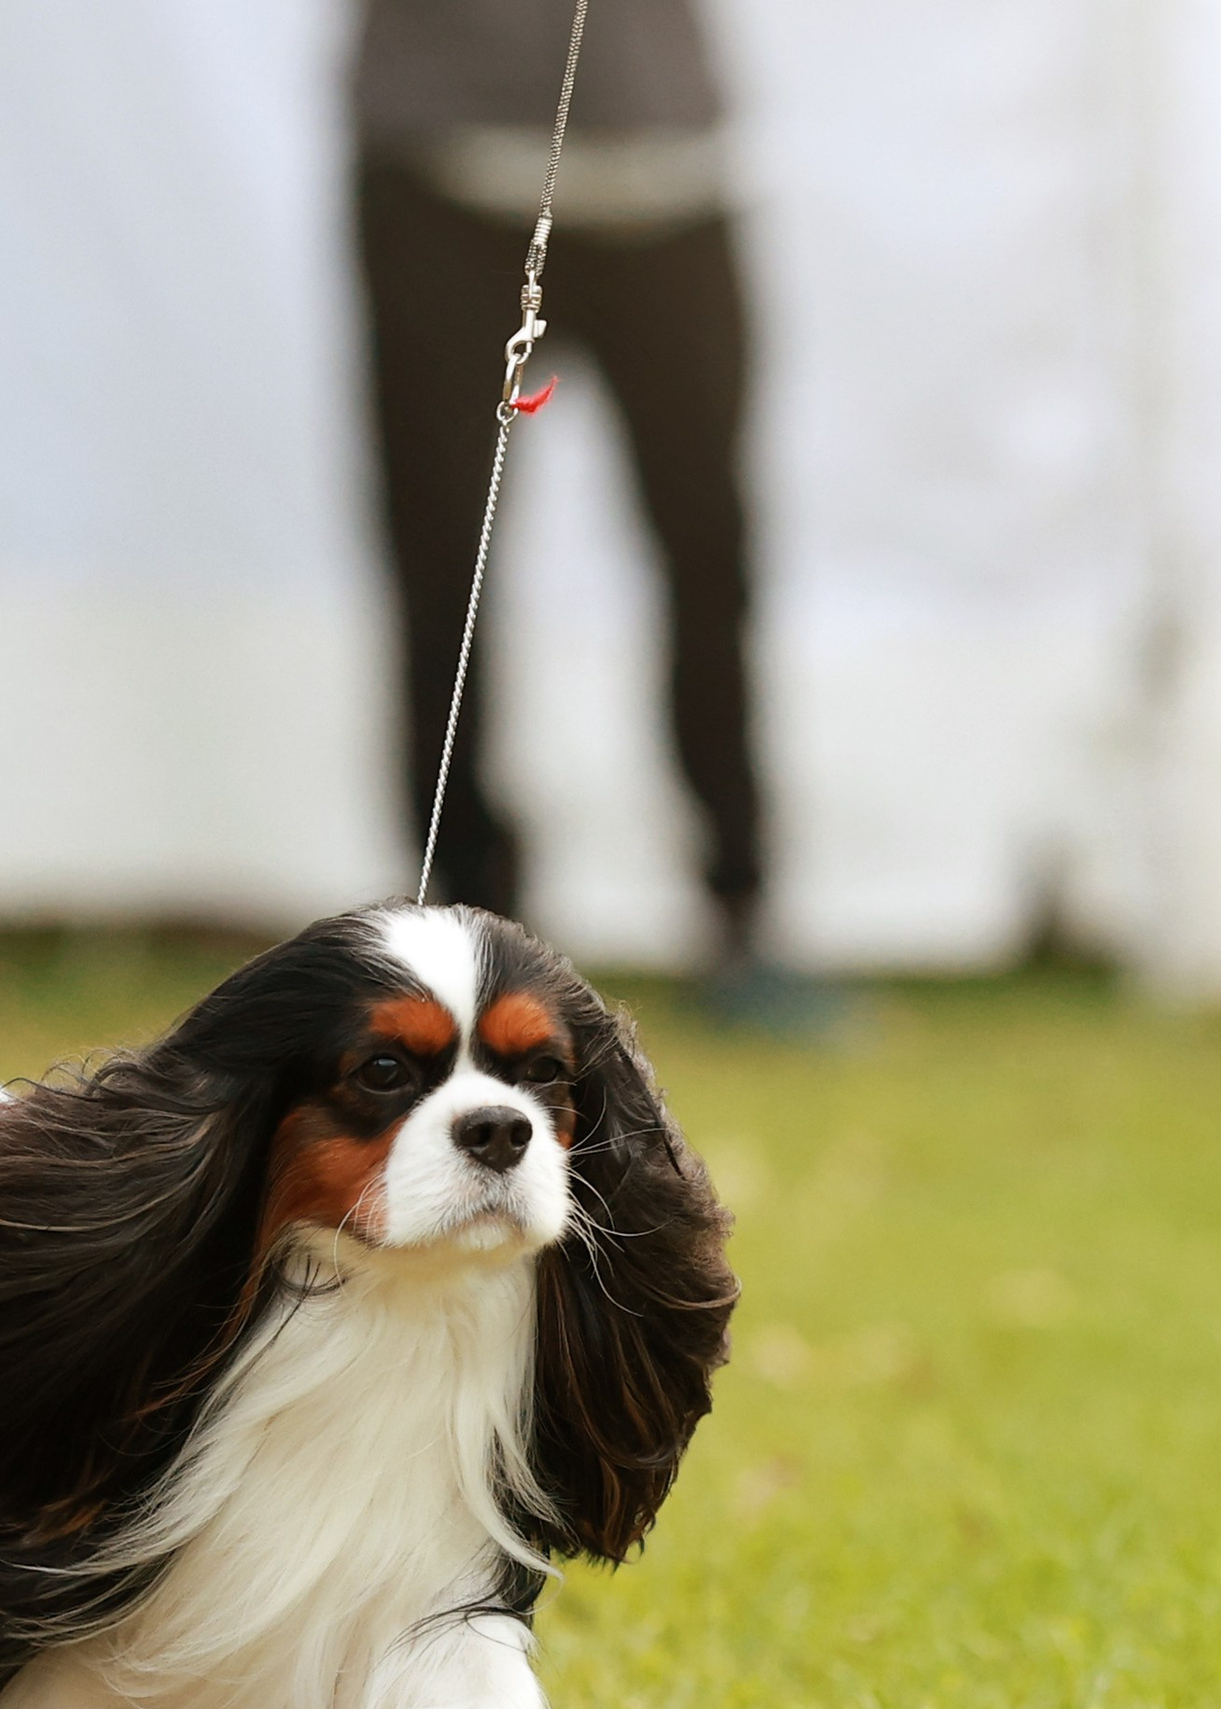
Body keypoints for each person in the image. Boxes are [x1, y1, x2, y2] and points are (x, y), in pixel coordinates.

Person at [356, 0, 823, 1028]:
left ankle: (740, 913)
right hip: (449, 171)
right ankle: (457, 932)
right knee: (448, 565)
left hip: (670, 176)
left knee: (712, 559)